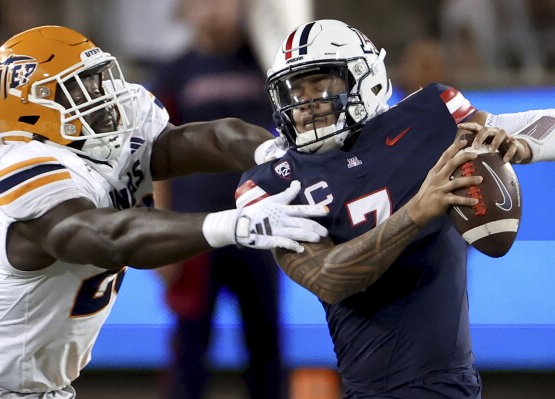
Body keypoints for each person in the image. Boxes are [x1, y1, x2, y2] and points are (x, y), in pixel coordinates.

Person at [0, 25, 329, 399]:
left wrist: (276, 156)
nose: (104, 95)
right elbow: (108, 237)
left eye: (98, 79)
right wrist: (234, 224)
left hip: (38, 384)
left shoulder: (110, 130)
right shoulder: (22, 163)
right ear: (33, 109)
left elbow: (195, 140)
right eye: (79, 88)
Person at [236, 19, 554, 398]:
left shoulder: (430, 118)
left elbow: (534, 126)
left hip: (449, 386)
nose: (305, 106)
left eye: (320, 87)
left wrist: (517, 145)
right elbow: (327, 278)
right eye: (294, 92)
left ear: (364, 79)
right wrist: (417, 211)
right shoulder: (278, 181)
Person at [148, 1, 284, 398]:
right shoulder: (175, 72)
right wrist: (161, 238)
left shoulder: (266, 65)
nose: (214, 9)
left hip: (263, 232)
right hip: (195, 236)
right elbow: (154, 161)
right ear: (185, 10)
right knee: (189, 350)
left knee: (265, 345)